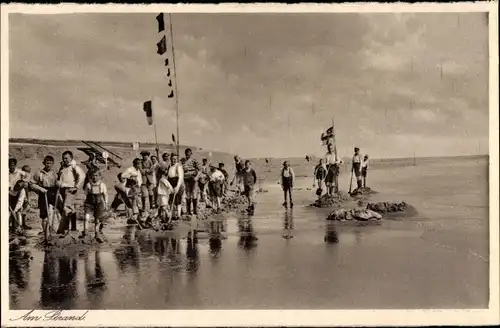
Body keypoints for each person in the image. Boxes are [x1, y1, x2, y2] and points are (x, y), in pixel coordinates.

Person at [56, 151, 86, 235]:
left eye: (66, 158)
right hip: (62, 189)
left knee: (67, 208)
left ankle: (64, 229)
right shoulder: (63, 167)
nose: (64, 160)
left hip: (70, 189)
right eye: (63, 158)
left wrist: (76, 187)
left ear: (71, 158)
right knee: (69, 208)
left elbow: (82, 175)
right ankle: (72, 228)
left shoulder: (74, 166)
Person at [33, 156, 58, 237]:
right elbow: (32, 184)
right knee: (44, 214)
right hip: (43, 193)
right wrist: (40, 188)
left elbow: (59, 182)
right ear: (44, 163)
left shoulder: (56, 173)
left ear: (53, 164)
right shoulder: (39, 173)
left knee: (55, 212)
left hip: (53, 192)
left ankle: (53, 229)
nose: (48, 165)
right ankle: (45, 232)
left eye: (50, 163)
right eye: (47, 163)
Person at [82, 170, 108, 242]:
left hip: (99, 203)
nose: (94, 177)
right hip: (89, 203)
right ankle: (86, 232)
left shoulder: (102, 185)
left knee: (97, 219)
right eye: (93, 175)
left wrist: (105, 203)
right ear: (91, 176)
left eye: (96, 175)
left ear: (99, 176)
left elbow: (105, 195)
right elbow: (85, 194)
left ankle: (97, 233)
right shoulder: (88, 185)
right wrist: (83, 202)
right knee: (86, 217)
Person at [121, 158, 143, 222]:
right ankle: (130, 218)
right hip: (130, 187)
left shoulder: (138, 171)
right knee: (131, 202)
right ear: (134, 164)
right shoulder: (130, 169)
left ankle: (136, 217)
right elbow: (122, 175)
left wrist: (139, 186)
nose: (139, 165)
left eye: (140, 163)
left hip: (136, 187)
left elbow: (139, 180)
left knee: (137, 202)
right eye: (138, 164)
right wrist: (130, 176)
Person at [182, 148, 200, 215]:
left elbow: (200, 169)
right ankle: (188, 211)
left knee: (194, 194)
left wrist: (197, 177)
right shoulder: (183, 161)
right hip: (186, 179)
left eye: (189, 153)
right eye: (186, 153)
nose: (187, 154)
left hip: (193, 179)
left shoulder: (194, 160)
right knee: (188, 195)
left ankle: (195, 210)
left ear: (191, 154)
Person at [167, 153, 185, 219]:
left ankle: (178, 215)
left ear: (176, 160)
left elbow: (180, 178)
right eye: (172, 159)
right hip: (171, 183)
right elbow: (168, 176)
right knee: (171, 199)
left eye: (175, 159)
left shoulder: (178, 166)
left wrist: (177, 187)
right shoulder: (170, 166)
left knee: (178, 199)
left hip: (178, 183)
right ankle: (174, 215)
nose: (173, 160)